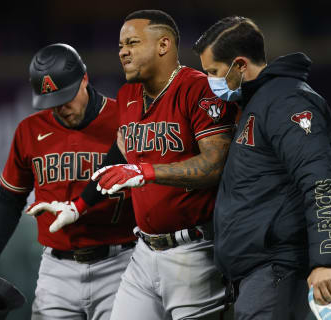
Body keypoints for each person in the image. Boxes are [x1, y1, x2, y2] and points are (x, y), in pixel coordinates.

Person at [45, 10, 239, 320]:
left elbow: (215, 164)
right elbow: (121, 154)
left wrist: (146, 171)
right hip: (143, 252)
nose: (122, 51)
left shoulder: (199, 88)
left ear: (163, 45)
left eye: (132, 42)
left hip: (195, 251)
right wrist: (79, 205)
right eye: (121, 44)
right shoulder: (128, 94)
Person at [192, 16, 331, 319]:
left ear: (240, 65)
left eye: (213, 72)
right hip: (257, 274)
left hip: (276, 271)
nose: (210, 81)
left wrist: (325, 258)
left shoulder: (286, 100)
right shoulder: (257, 104)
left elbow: (320, 179)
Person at [0, 43, 137, 320]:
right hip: (57, 269)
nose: (61, 108)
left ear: (84, 79)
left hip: (121, 262)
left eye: (66, 97)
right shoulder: (29, 130)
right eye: (52, 102)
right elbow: (9, 198)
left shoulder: (123, 119)